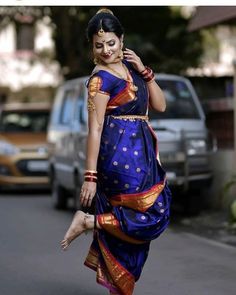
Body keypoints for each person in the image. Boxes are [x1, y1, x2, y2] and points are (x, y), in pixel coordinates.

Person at [60, 8, 172, 295]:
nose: (106, 50)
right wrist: (90, 176)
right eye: (99, 45)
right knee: (144, 217)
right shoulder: (100, 80)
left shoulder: (134, 70)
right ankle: (89, 222)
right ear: (92, 48)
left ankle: (90, 223)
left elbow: (160, 106)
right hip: (118, 158)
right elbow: (94, 129)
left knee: (144, 223)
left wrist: (146, 71)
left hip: (144, 156)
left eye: (111, 42)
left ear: (122, 40)